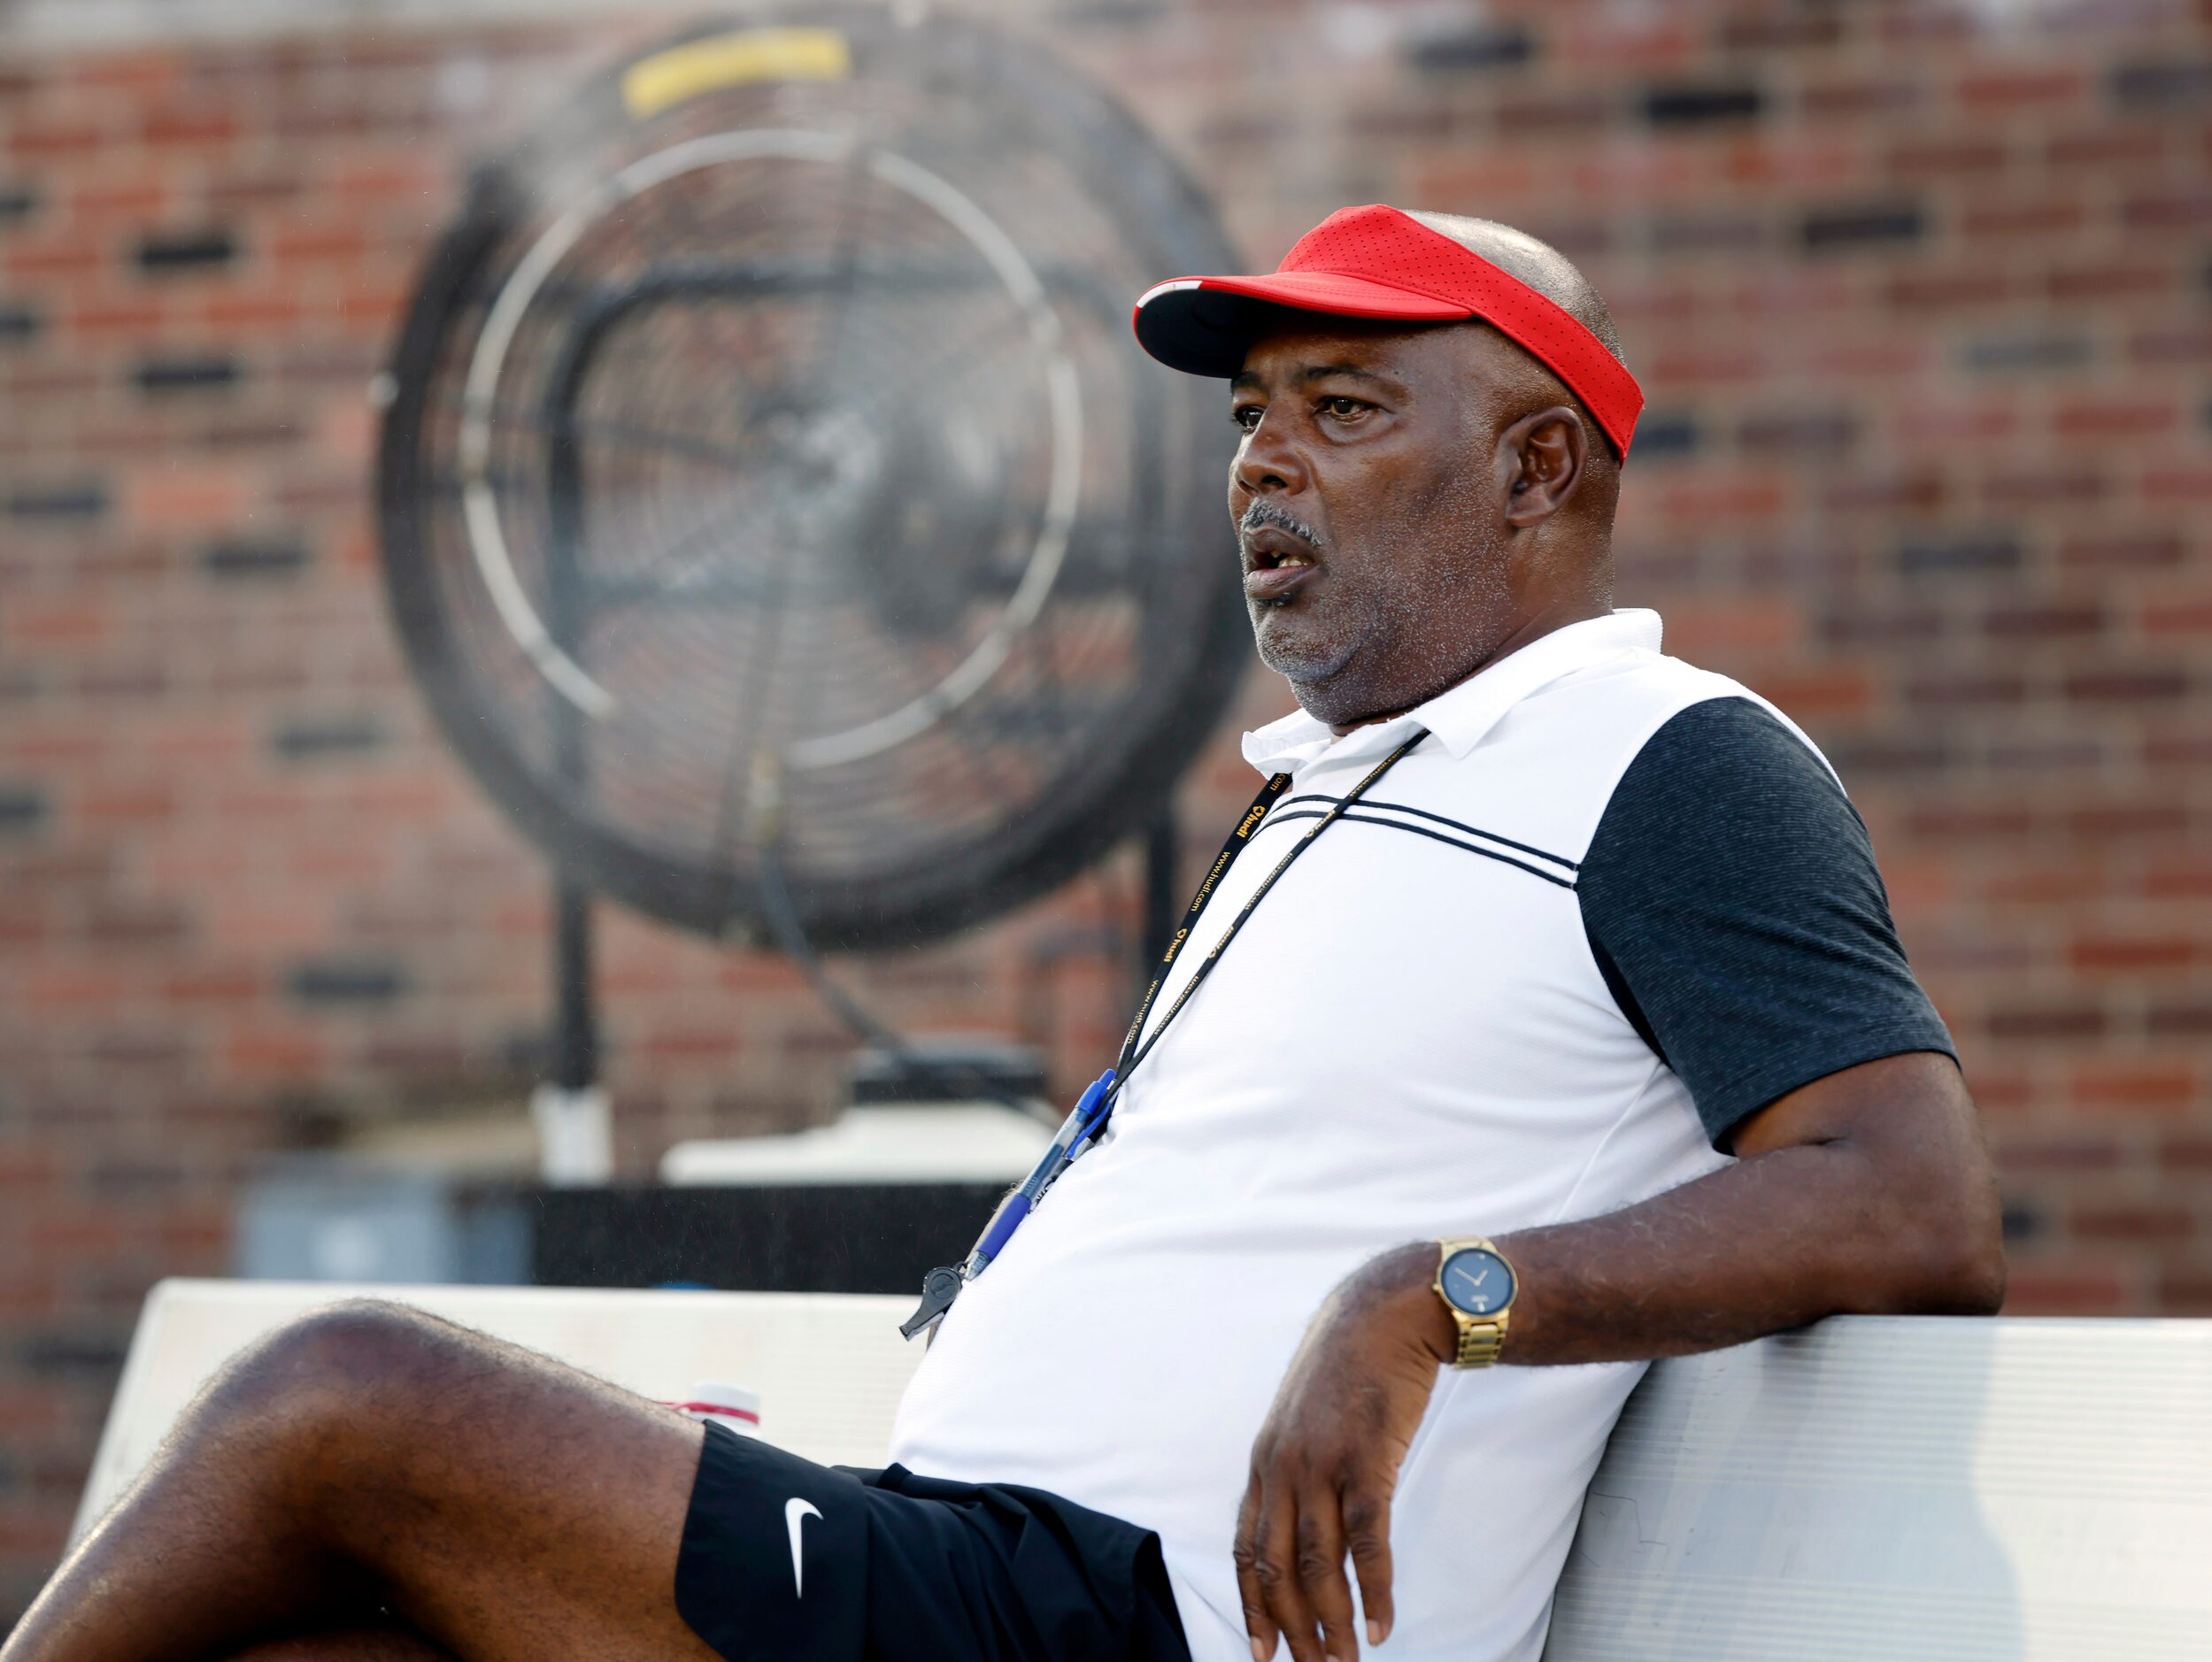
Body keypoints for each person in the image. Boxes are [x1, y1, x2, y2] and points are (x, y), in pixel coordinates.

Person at [2, 204, 2004, 1662]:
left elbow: (1907, 1201)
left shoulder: (1665, 755)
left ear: (1535, 462)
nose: (1259, 461)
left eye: (1341, 406)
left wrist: (1433, 1296)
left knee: (339, 1393)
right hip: (967, 1562)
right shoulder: (1338, 794)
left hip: (1136, 1618)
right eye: (1247, 417)